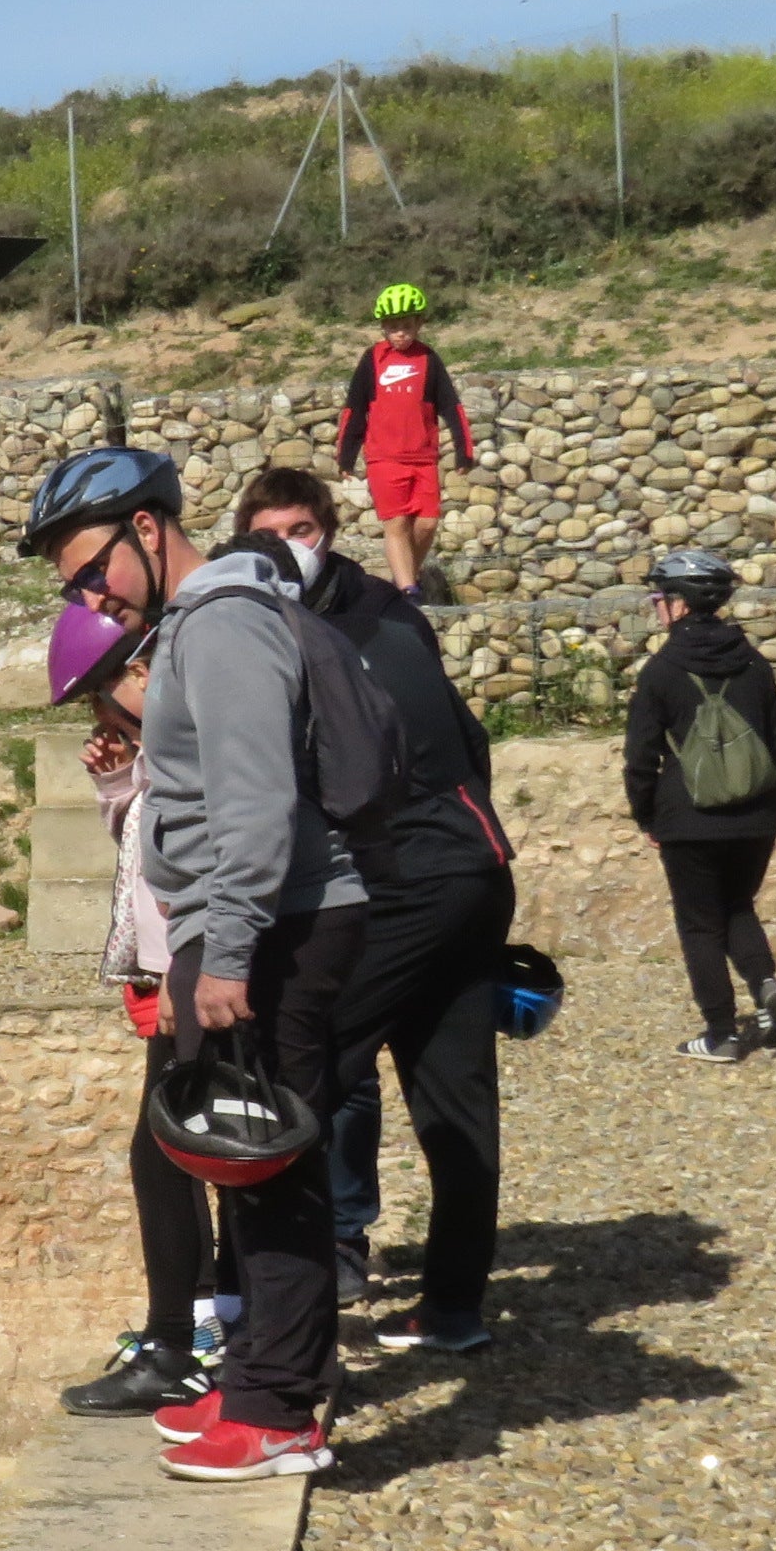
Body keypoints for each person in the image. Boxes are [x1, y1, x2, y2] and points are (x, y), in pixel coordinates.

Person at [21, 444, 364, 1480]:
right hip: (245, 918)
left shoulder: (219, 625)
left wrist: (230, 950)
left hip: (270, 921)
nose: (91, 596)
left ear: (149, 529)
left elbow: (255, 800)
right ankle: (257, 1378)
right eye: (75, 585)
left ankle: (279, 1413)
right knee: (247, 1163)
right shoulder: (201, 622)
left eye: (94, 572)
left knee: (276, 1163)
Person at [231, 467, 511, 1354]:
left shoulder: (354, 630)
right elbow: (475, 743)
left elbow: (356, 773)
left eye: (302, 529)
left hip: (411, 877)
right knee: (452, 1096)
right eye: (270, 532)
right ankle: (453, 1306)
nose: (288, 547)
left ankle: (285, 1304)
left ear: (330, 530)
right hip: (468, 868)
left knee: (300, 1075)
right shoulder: (389, 610)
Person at [53, 614, 243, 1417]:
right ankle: (213, 1315)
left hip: (194, 971)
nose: (103, 718)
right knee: (187, 1145)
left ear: (140, 675)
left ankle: (189, 1333)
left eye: (105, 696)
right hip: (185, 967)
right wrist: (118, 786)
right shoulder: (165, 747)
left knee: (173, 1152)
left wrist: (177, 969)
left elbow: (192, 864)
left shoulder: (192, 741)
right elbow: (144, 848)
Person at [622, 546, 776, 1062]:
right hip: (757, 814)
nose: (656, 607)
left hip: (687, 815)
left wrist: (646, 813)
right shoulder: (755, 665)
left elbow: (640, 757)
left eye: (659, 598)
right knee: (737, 905)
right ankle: (767, 990)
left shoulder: (661, 670)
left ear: (680, 605)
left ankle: (721, 1034)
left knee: (699, 924)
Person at [335, 282, 477, 599]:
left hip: (423, 457)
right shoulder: (373, 359)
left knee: (426, 524)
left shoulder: (429, 359)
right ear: (384, 328)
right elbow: (354, 409)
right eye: (394, 327)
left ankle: (404, 579)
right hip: (384, 458)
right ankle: (409, 590)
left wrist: (463, 450)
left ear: (418, 325)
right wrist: (346, 454)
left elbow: (451, 406)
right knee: (397, 524)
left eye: (407, 327)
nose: (401, 334)